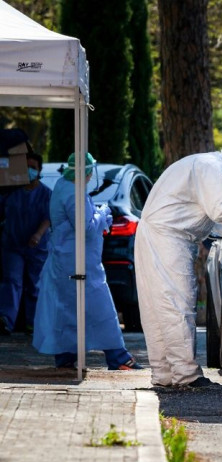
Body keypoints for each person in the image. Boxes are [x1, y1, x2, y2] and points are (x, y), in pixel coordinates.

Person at [135, 139, 222, 388]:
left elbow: (215, 222)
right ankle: (186, 376)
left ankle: (165, 375)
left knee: (159, 306)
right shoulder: (211, 168)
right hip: (168, 237)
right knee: (178, 303)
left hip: (158, 233)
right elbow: (220, 211)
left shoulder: (206, 165)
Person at [33, 152, 142, 370]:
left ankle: (65, 356)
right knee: (100, 307)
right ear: (87, 172)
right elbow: (85, 227)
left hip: (67, 261)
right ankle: (118, 357)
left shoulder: (64, 187)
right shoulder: (74, 193)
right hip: (79, 262)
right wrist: (102, 213)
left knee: (67, 309)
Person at [0, 152, 51, 335]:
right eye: (26, 167)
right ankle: (6, 320)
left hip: (36, 247)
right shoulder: (12, 192)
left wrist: (37, 235)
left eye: (33, 168)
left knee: (34, 284)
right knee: (11, 281)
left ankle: (33, 323)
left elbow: (48, 217)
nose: (29, 171)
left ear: (39, 171)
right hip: (12, 245)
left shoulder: (45, 194)